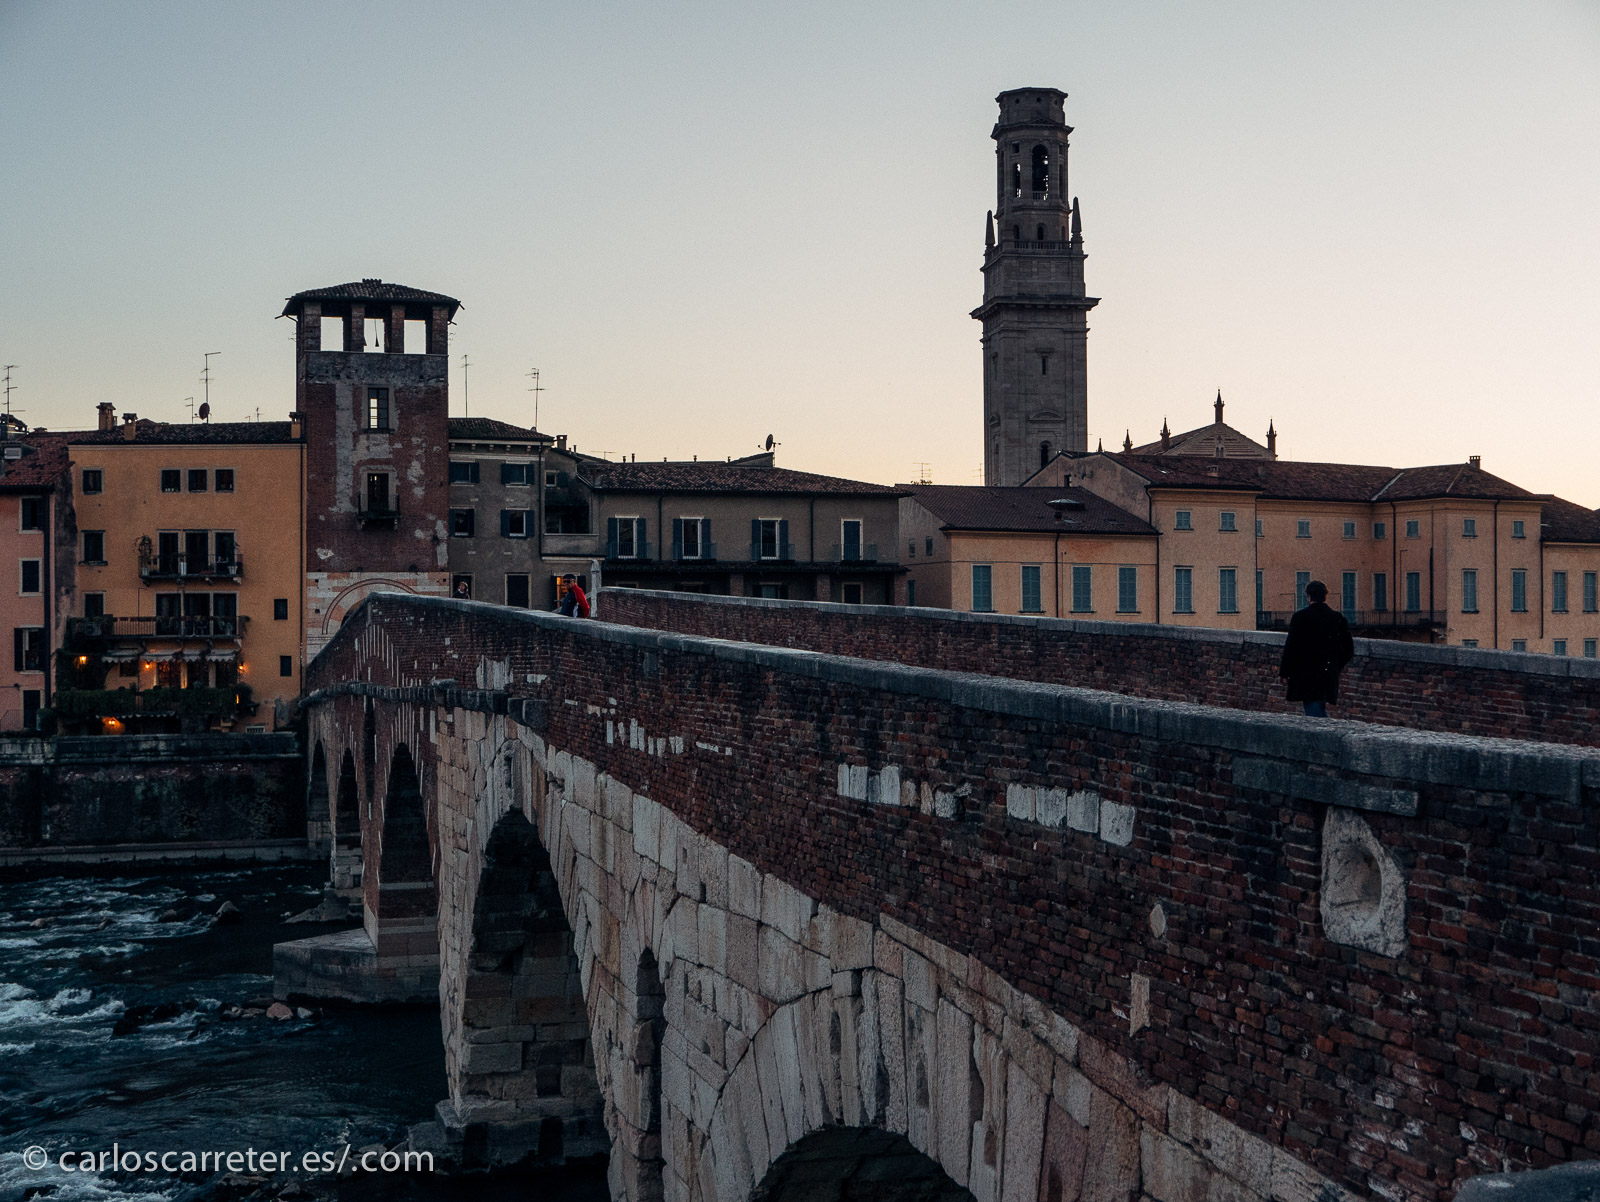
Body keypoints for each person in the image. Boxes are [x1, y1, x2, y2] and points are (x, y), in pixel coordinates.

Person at [1279, 579, 1354, 717]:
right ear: (1324, 596)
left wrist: (1284, 672)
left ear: (1309, 596)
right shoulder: (1337, 618)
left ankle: (1325, 737)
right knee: (1318, 706)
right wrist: (1335, 665)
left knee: (1313, 710)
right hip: (1328, 671)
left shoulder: (1300, 617)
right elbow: (1348, 649)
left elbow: (1291, 647)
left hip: (1306, 672)